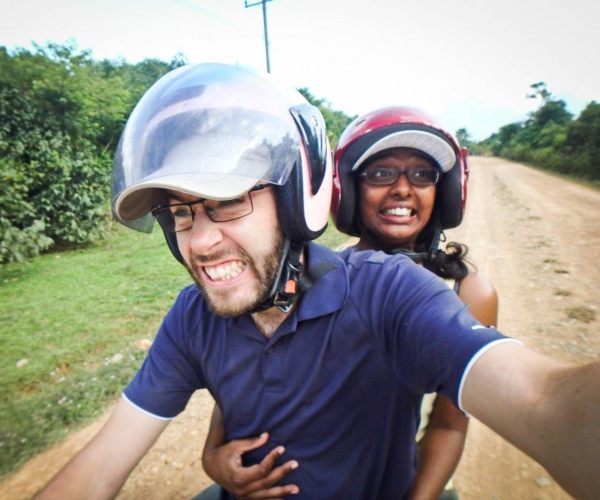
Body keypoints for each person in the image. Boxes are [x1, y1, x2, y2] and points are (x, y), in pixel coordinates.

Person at [35, 63, 600, 500]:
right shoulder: (193, 317)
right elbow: (97, 472)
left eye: (228, 202)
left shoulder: (392, 291)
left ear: (296, 194)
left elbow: (543, 405)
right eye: (180, 213)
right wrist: (213, 460)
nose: (200, 242)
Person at [199, 107, 498, 500]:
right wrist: (212, 456)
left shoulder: (465, 292)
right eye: (380, 173)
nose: (404, 188)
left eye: (423, 174)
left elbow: (448, 426)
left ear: (441, 191)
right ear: (349, 189)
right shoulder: (316, 273)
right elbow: (248, 372)